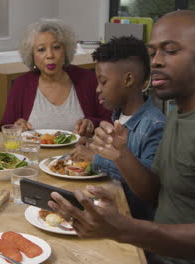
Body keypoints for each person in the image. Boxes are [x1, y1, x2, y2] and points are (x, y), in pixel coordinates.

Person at [49, 10, 195, 264]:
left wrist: (121, 228)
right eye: (153, 53)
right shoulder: (178, 113)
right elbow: (158, 193)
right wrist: (121, 159)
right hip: (149, 249)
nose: (156, 62)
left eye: (171, 51)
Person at [70, 36, 166, 220]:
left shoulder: (155, 126)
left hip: (136, 225)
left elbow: (148, 186)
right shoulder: (117, 115)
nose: (97, 89)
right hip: (111, 210)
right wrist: (92, 144)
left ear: (128, 79)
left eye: (103, 81)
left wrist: (95, 157)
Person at [0, 18, 111, 136]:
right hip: (33, 154)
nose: (50, 55)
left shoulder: (88, 79)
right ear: (32, 55)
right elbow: (4, 130)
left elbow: (110, 121)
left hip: (81, 153)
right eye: (41, 49)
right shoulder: (21, 85)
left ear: (66, 50)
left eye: (56, 47)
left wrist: (92, 123)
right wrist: (16, 127)